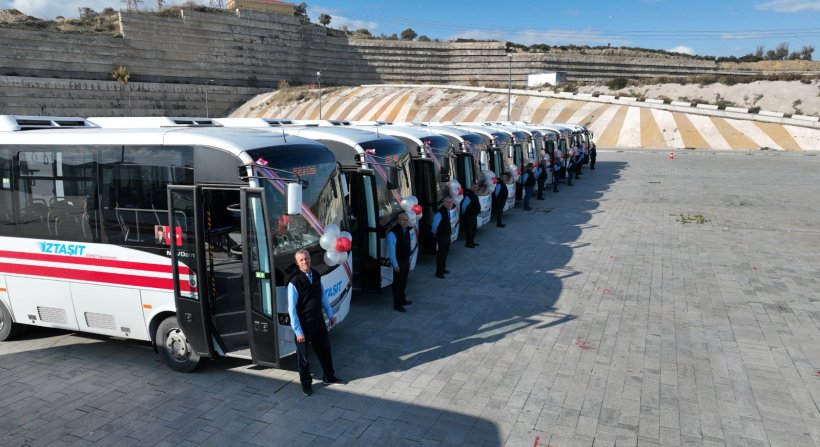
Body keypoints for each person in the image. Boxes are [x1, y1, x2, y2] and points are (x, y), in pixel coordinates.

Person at [287, 249, 344, 396]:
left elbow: (322, 296)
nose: (305, 262)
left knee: (325, 350)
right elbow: (292, 309)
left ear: (310, 259)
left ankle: (329, 377)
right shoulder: (294, 282)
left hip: (318, 321)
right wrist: (298, 331)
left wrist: (330, 314)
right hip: (303, 325)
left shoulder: (316, 275)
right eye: (301, 260)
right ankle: (306, 384)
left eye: (306, 258)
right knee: (303, 357)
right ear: (297, 263)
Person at [388, 212, 413, 312]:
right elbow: (391, 251)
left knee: (404, 281)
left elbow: (408, 245)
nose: (405, 222)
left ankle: (402, 300)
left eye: (406, 220)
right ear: (398, 220)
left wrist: (409, 259)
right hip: (398, 262)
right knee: (397, 283)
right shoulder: (393, 233)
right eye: (403, 220)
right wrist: (395, 265)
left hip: (406, 260)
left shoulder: (406, 230)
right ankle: (397, 304)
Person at [431, 196, 453, 278]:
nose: (449, 204)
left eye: (450, 202)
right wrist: (434, 233)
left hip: (446, 235)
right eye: (447, 202)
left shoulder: (447, 210)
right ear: (443, 203)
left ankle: (442, 268)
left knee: (445, 253)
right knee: (441, 254)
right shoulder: (439, 212)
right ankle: (439, 272)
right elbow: (435, 225)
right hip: (442, 236)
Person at [460, 182, 480, 248]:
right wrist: (464, 213)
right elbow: (463, 206)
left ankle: (472, 241)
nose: (475, 188)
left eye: (476, 187)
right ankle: (468, 243)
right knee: (470, 230)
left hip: (474, 215)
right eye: (474, 187)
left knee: (474, 229)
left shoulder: (474, 194)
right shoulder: (469, 196)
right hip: (469, 215)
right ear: (471, 187)